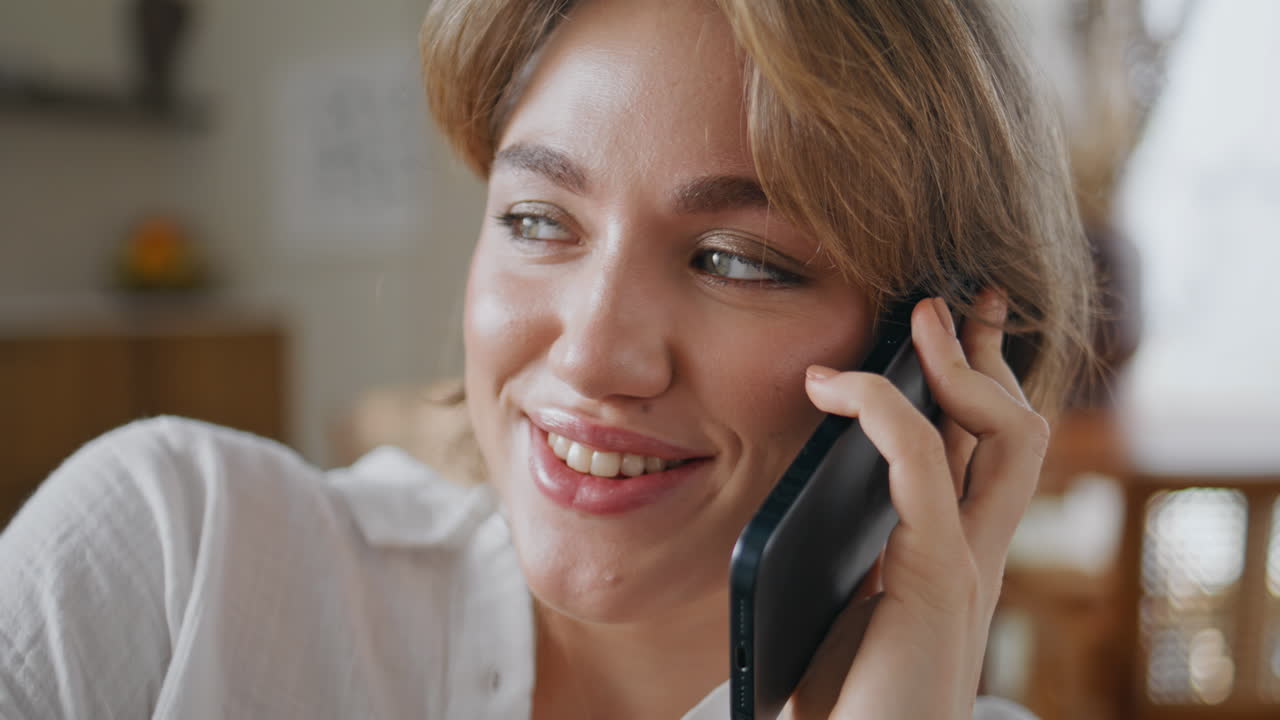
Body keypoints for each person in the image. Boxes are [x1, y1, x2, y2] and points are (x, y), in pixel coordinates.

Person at [0, 0, 1094, 718]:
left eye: (735, 259)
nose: (590, 352)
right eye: (535, 219)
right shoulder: (174, 558)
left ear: (937, 357)